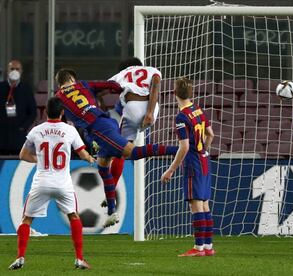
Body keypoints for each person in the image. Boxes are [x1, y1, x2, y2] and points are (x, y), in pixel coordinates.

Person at [54, 68, 178, 228]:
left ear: (59, 84)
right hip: (101, 125)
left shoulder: (58, 98)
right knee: (103, 166)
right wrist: (124, 89)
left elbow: (57, 117)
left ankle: (179, 150)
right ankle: (112, 212)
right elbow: (110, 85)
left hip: (99, 128)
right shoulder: (83, 85)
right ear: (72, 78)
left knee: (132, 152)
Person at [8, 97, 95, 270]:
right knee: (74, 216)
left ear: (46, 112)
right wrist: (92, 159)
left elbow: (22, 155)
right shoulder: (69, 130)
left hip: (41, 182)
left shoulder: (36, 130)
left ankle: (20, 258)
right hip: (63, 183)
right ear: (63, 112)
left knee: (26, 220)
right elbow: (83, 154)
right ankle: (79, 259)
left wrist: (40, 161)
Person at [161, 77, 215, 257]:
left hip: (193, 161)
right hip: (204, 159)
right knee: (205, 204)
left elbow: (184, 147)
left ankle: (198, 248)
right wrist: (204, 150)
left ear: (174, 93)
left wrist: (170, 170)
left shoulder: (182, 117)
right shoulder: (198, 109)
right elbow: (210, 134)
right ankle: (208, 246)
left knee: (196, 205)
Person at [100, 57, 162, 208]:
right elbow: (155, 84)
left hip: (132, 108)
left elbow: (99, 91)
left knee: (121, 151)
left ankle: (111, 191)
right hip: (153, 110)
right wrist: (149, 112)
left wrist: (100, 110)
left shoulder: (122, 74)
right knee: (128, 146)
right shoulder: (152, 70)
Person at [0, 59, 37, 155]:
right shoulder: (1, 87)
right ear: (7, 71)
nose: (14, 71)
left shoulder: (26, 89)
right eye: (12, 69)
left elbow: (32, 112)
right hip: (2, 135)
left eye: (17, 69)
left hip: (19, 137)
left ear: (21, 71)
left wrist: (23, 127)